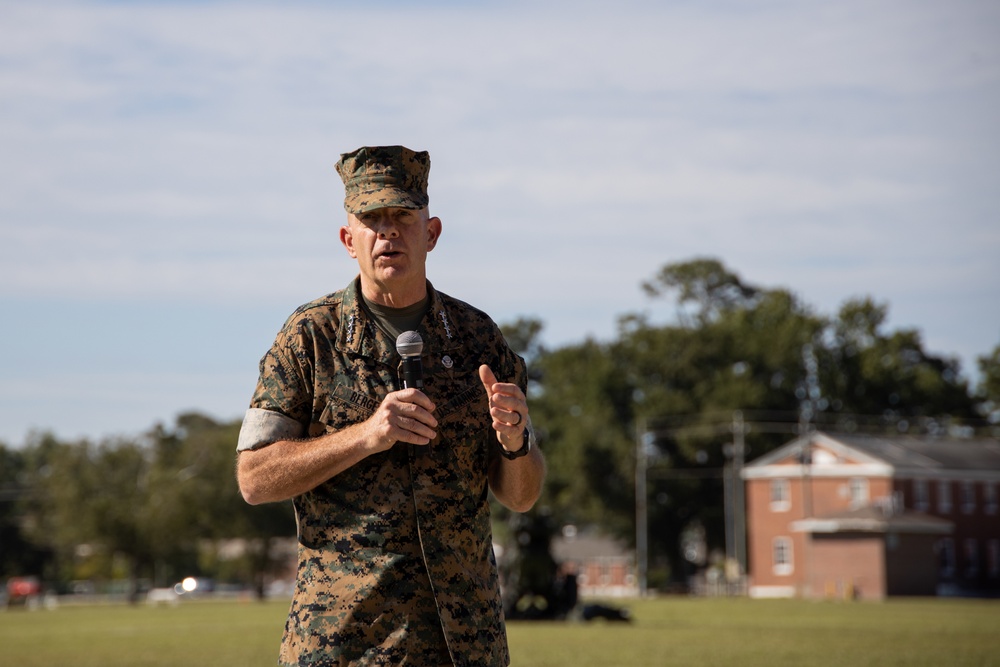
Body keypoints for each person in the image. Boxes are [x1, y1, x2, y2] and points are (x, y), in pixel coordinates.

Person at [236, 145, 546, 667]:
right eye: (372, 219)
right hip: (344, 643)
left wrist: (516, 444)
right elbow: (253, 477)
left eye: (403, 217)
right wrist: (366, 435)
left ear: (432, 233)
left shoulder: (478, 340)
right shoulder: (309, 338)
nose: (389, 232)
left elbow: (521, 496)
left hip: (463, 645)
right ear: (347, 240)